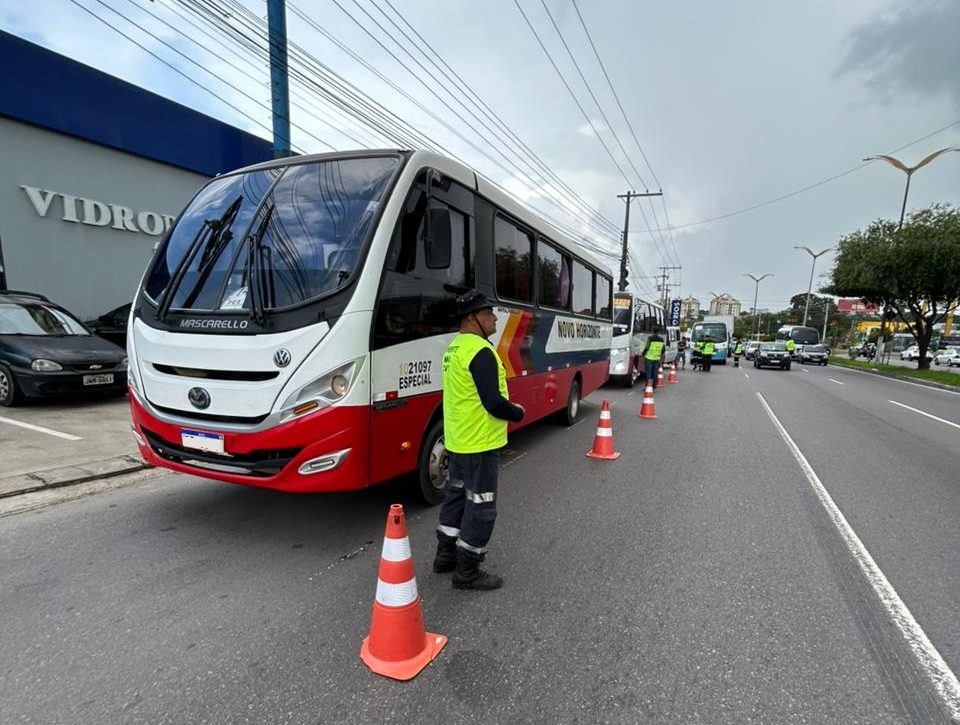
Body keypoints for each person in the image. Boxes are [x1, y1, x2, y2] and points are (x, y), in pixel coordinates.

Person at [433, 289, 525, 591]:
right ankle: (467, 571)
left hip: (458, 441)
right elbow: (493, 403)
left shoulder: (454, 349)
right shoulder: (481, 352)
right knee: (481, 505)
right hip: (480, 442)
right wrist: (517, 413)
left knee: (456, 497)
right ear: (472, 319)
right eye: (488, 313)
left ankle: (445, 556)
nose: (494, 317)